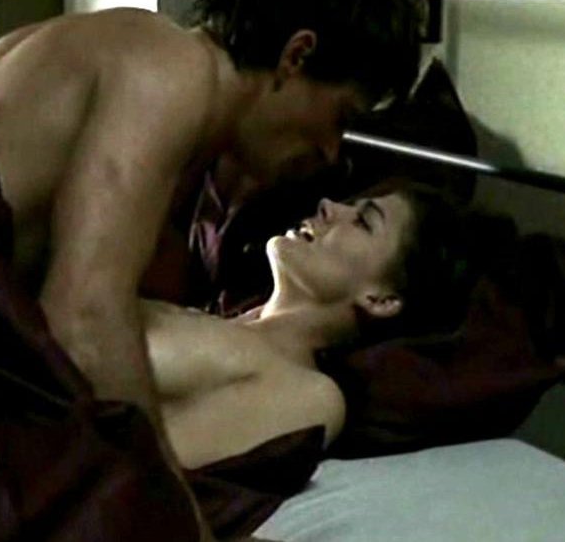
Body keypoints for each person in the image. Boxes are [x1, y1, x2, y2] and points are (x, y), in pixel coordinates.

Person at [0, 0, 419, 537]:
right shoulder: (173, 72)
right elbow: (82, 318)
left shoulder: (109, 40)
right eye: (341, 116)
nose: (331, 151)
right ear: (296, 56)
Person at [144, 184, 470, 469]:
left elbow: (145, 476)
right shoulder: (206, 319)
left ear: (380, 300)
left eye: (363, 222)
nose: (328, 204)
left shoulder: (310, 397)